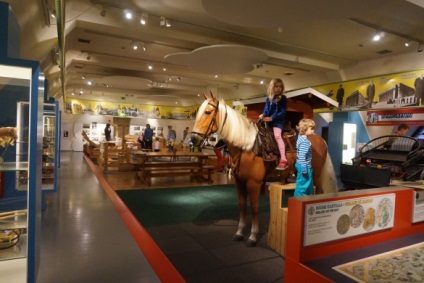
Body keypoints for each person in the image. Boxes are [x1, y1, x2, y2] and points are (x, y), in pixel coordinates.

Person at [259, 78, 288, 170]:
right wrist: (263, 115)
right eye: (276, 86)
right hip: (268, 121)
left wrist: (272, 118)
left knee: (277, 136)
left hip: (277, 122)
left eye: (280, 87)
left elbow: (282, 112)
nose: (278, 88)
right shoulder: (269, 98)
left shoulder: (283, 98)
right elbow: (266, 110)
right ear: (272, 87)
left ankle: (283, 158)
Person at [294, 119, 316, 197]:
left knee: (308, 184)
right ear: (305, 129)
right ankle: (299, 202)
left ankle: (307, 201)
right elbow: (302, 156)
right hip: (304, 166)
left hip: (303, 165)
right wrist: (304, 168)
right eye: (311, 129)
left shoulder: (300, 137)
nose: (313, 131)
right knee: (302, 186)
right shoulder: (305, 142)